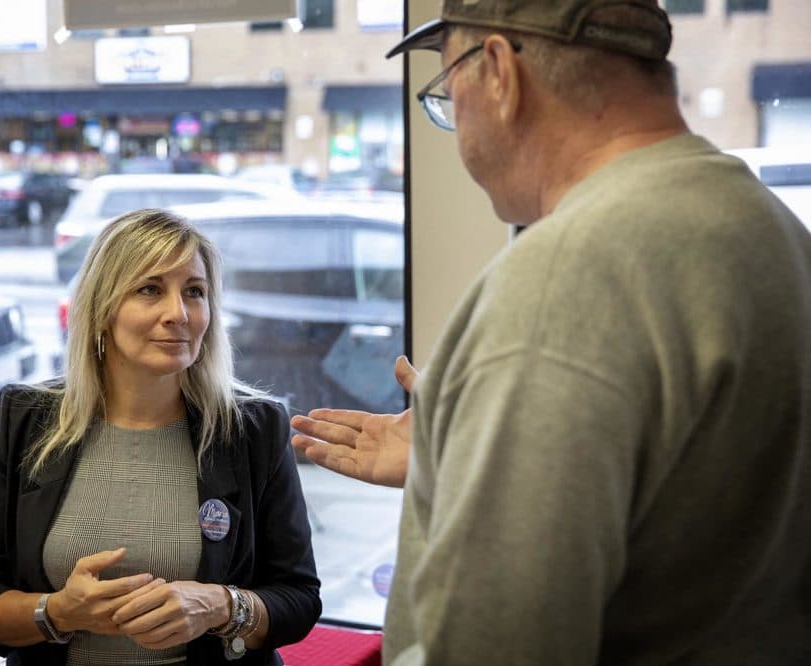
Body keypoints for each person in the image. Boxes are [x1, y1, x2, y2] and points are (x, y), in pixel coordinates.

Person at [291, 0, 811, 664]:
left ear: (501, 72)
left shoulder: (561, 283)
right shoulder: (769, 229)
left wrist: (506, 398)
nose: (454, 130)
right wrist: (469, 447)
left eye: (448, 95)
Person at [0, 209, 321, 665]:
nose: (177, 313)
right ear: (103, 309)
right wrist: (58, 613)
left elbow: (298, 599)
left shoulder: (252, 428)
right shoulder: (24, 419)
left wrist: (221, 606)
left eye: (194, 292)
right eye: (149, 290)